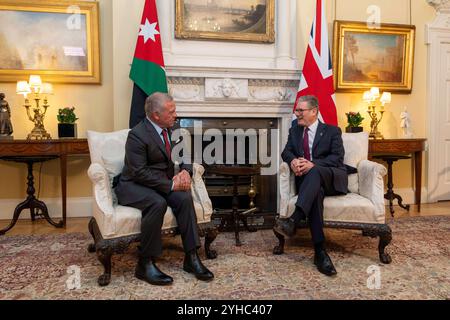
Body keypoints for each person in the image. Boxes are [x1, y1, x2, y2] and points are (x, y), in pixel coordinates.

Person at [115, 92, 214, 286]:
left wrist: (186, 172)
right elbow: (139, 172)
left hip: (160, 183)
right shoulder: (137, 135)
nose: (175, 115)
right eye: (171, 112)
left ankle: (191, 257)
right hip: (133, 185)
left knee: (185, 198)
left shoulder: (172, 128)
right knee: (157, 203)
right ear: (156, 115)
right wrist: (171, 184)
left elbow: (185, 156)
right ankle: (145, 263)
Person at [274, 95, 348, 277]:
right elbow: (286, 151)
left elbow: (337, 157)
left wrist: (313, 164)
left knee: (314, 172)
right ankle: (320, 251)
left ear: (314, 112)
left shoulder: (332, 131)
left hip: (330, 178)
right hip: (309, 184)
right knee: (316, 192)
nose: (296, 113)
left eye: (301, 110)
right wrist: (292, 162)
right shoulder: (295, 131)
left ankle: (294, 218)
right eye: (297, 110)